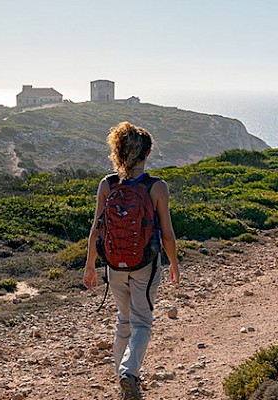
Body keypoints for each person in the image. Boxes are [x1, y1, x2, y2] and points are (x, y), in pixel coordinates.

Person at [83, 121, 180, 400]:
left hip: (113, 264)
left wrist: (90, 265)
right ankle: (129, 373)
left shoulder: (108, 184)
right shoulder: (156, 187)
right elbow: (168, 234)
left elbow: (96, 229)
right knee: (142, 322)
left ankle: (122, 377)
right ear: (147, 154)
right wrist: (173, 263)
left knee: (123, 321)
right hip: (145, 265)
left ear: (118, 152)